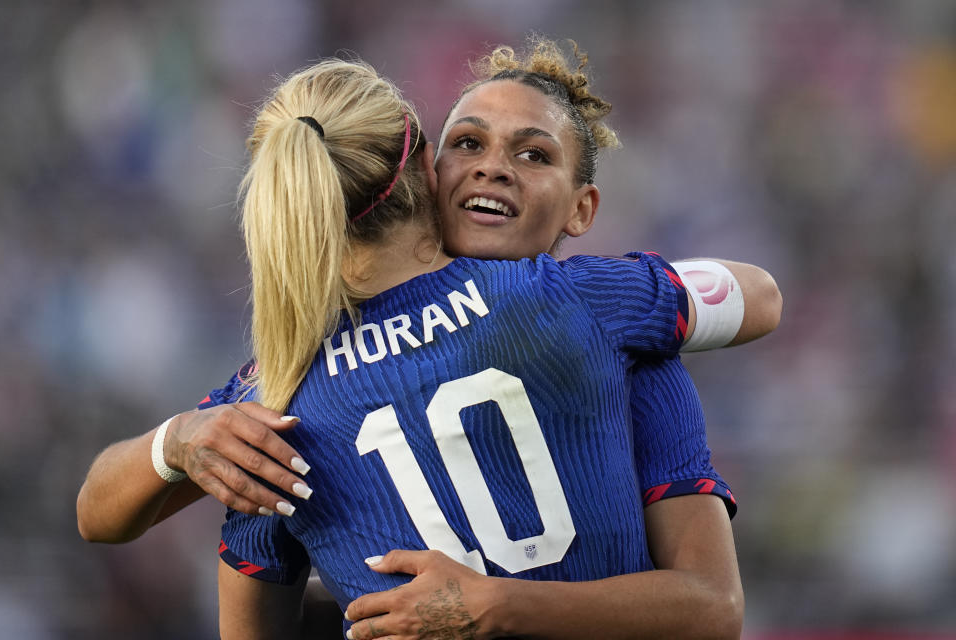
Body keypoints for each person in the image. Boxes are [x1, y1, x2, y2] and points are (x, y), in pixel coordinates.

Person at [76, 39, 778, 639]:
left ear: (582, 206)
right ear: (423, 171)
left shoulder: (272, 402)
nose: (494, 167)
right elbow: (759, 296)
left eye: (533, 155)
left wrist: (491, 603)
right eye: (467, 142)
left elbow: (101, 514)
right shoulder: (604, 310)